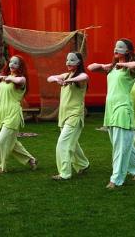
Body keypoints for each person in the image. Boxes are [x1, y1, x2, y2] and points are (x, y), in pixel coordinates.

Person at [87, 39, 135, 189]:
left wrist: (122, 64)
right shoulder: (112, 68)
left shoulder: (129, 69)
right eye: (116, 46)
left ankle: (116, 179)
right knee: (121, 143)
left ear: (127, 51)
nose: (116, 49)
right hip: (110, 109)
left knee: (119, 147)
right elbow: (91, 67)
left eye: (120, 47)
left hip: (123, 108)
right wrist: (107, 65)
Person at [0, 55, 38, 174]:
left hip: (13, 114)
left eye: (15, 63)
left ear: (20, 66)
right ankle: (31, 160)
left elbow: (19, 80)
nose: (12, 65)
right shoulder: (5, 77)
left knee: (1, 141)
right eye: (11, 62)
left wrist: (9, 79)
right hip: (3, 113)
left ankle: (1, 167)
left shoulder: (21, 79)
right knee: (12, 143)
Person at [47, 52, 90, 180]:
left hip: (74, 115)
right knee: (73, 143)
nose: (68, 62)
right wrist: (58, 79)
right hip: (64, 116)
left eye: (72, 60)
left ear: (78, 62)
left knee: (63, 143)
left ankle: (64, 173)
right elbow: (50, 78)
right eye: (67, 60)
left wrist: (70, 80)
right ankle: (83, 164)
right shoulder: (65, 75)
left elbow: (85, 76)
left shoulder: (80, 78)